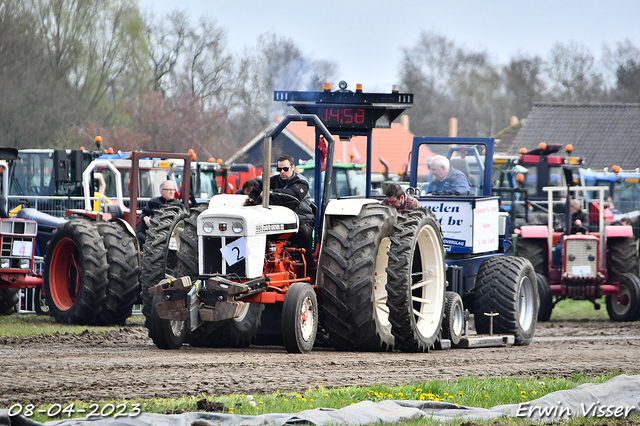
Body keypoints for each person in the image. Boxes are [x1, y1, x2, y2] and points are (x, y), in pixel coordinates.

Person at [245, 155, 315, 267]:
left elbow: (292, 196)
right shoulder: (272, 180)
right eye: (279, 169)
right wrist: (251, 199)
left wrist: (272, 194)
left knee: (304, 232)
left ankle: (307, 266)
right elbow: (257, 189)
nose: (282, 172)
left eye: (285, 169)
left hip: (300, 217)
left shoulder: (301, 182)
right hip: (277, 218)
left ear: (293, 167)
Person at [136, 180, 180, 246]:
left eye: (173, 190)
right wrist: (145, 218)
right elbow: (143, 213)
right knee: (139, 232)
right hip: (153, 231)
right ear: (162, 191)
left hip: (171, 233)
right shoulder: (153, 202)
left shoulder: (178, 204)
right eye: (169, 190)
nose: (171, 192)